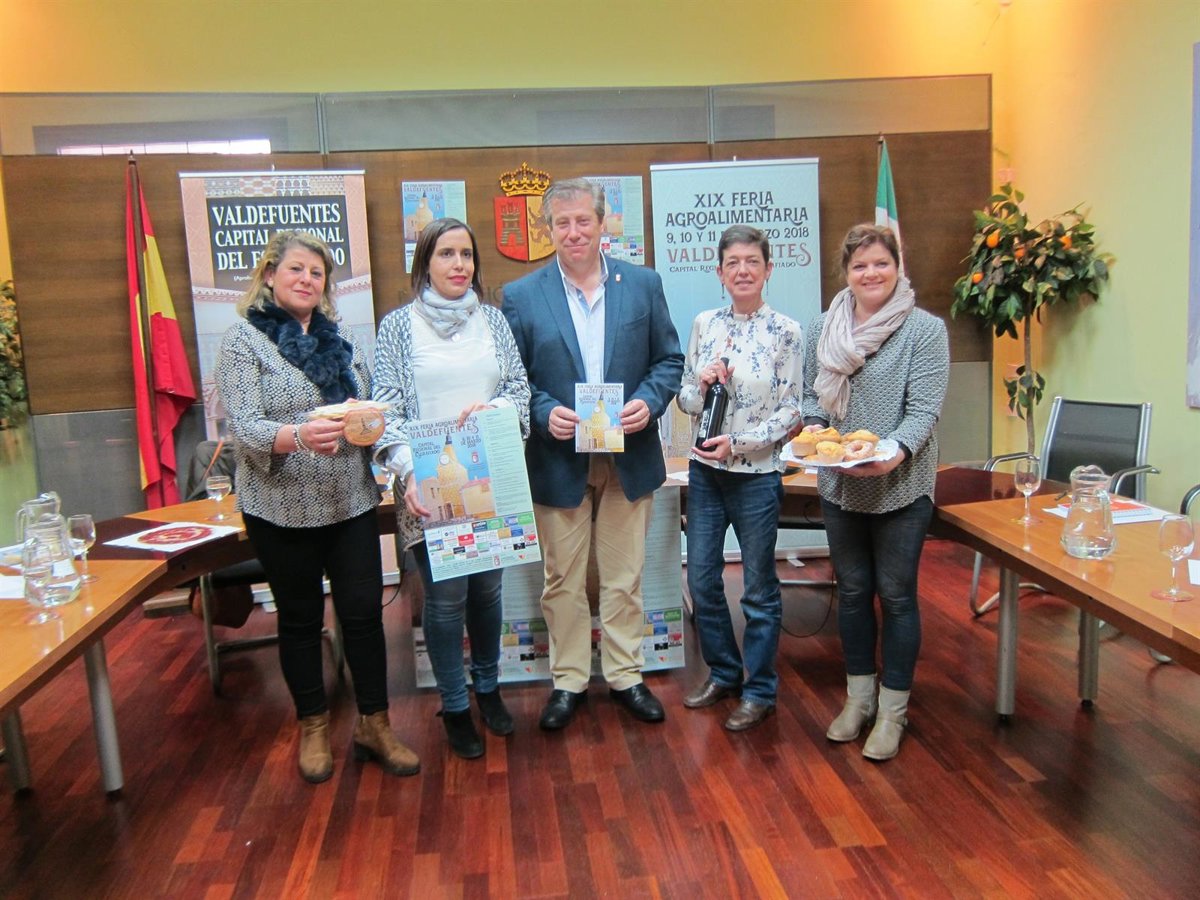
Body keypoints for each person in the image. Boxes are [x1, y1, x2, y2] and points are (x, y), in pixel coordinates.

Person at [215, 229, 419, 784]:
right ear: (269, 275)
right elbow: (245, 428)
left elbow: (372, 413)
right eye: (296, 269)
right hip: (279, 507)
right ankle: (313, 726)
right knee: (301, 619)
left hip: (350, 501)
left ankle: (375, 725)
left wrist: (371, 425)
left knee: (363, 616)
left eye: (316, 272)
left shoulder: (343, 339)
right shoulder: (243, 341)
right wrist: (299, 436)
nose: (306, 279)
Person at [502, 177, 684, 731]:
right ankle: (569, 681)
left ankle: (627, 675)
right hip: (558, 458)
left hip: (629, 455)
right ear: (548, 230)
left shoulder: (644, 284)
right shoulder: (521, 296)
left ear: (603, 224)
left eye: (584, 220)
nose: (574, 232)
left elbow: (669, 361)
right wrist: (542, 411)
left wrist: (649, 401)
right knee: (563, 580)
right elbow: (513, 379)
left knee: (624, 577)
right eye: (562, 223)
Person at [373, 218, 530, 759]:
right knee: (444, 601)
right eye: (446, 254)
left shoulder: (493, 320)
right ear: (425, 262)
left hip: (489, 476)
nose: (459, 264)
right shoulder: (399, 326)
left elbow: (519, 389)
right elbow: (385, 406)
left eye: (466, 254)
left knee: (488, 592)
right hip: (429, 483)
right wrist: (408, 472)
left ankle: (487, 688)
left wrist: (496, 407)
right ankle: (456, 704)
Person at [800, 224, 949, 761]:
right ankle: (858, 699)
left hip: (902, 484)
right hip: (841, 484)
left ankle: (893, 712)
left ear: (898, 266)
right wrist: (814, 429)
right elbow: (811, 397)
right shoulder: (822, 327)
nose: (871, 274)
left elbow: (924, 411)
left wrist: (893, 453)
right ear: (846, 273)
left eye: (881, 263)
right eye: (860, 265)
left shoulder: (924, 330)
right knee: (854, 591)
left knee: (898, 594)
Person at [676, 225, 804, 731]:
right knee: (702, 580)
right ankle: (725, 672)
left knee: (757, 589)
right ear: (719, 272)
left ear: (768, 269)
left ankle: (760, 690)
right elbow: (686, 399)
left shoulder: (787, 332)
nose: (743, 270)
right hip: (706, 473)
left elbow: (793, 411)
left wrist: (742, 442)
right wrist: (701, 382)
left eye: (752, 262)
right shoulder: (704, 324)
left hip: (757, 476)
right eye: (733, 263)